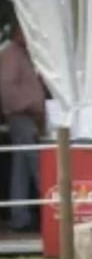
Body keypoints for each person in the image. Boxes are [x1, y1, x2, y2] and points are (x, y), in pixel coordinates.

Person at [0, 18, 46, 232]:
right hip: (21, 116)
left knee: (22, 167)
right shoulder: (10, 54)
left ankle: (21, 216)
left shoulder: (22, 55)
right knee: (36, 164)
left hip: (28, 116)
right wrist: (26, 106)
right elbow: (6, 88)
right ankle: (51, 206)